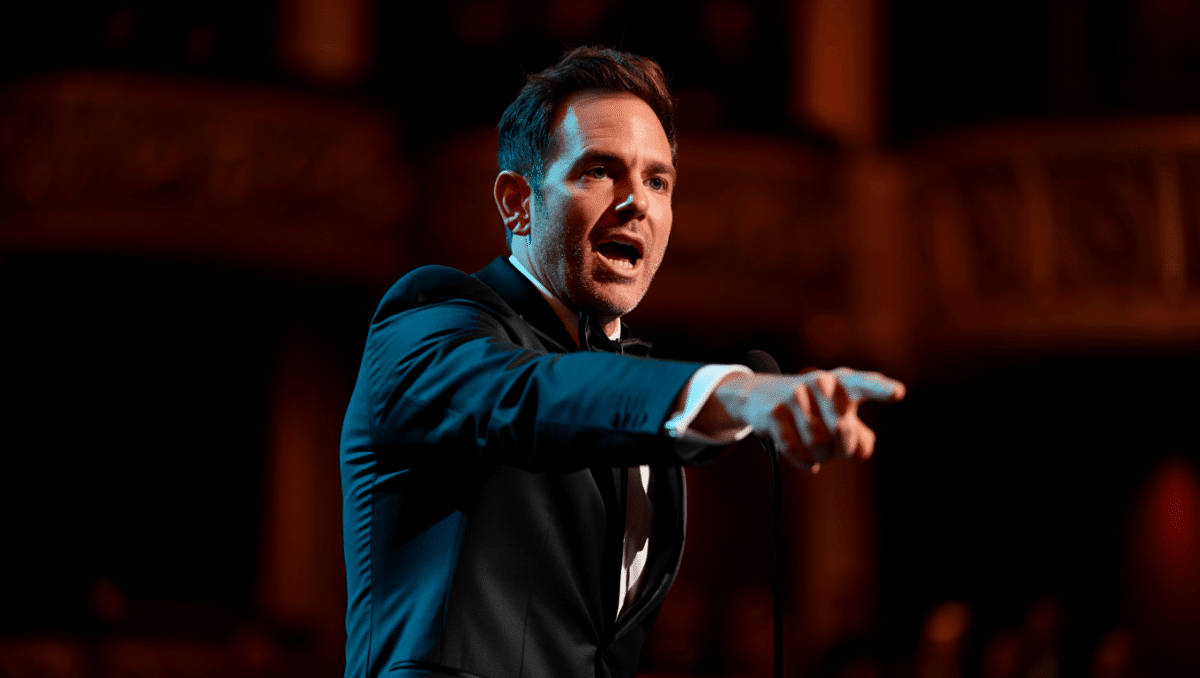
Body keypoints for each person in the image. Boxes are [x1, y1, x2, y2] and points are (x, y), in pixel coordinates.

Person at [340, 46, 905, 678]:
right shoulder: (428, 323)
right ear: (517, 202)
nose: (636, 201)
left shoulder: (637, 381)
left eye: (657, 181)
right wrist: (733, 393)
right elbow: (530, 394)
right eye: (599, 171)